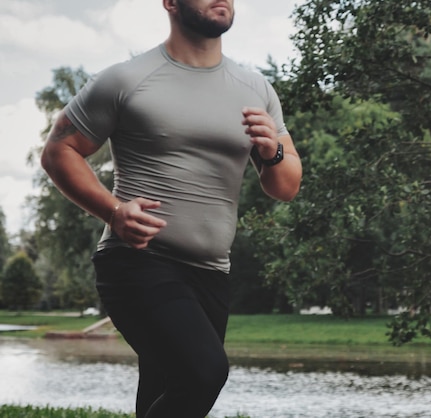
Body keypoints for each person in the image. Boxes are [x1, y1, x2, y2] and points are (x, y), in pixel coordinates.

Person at [40, 0, 302, 417]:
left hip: (212, 273)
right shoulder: (126, 79)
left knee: (167, 391)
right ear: (170, 3)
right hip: (139, 264)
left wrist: (272, 153)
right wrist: (114, 212)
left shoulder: (256, 89)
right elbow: (59, 151)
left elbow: (285, 186)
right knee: (204, 372)